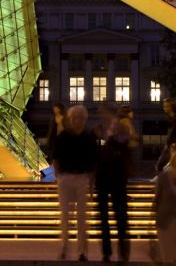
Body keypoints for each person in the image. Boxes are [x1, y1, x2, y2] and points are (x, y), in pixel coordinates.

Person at [54, 105, 98, 262]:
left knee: (82, 218)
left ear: (84, 119)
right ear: (70, 119)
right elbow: (56, 159)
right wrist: (59, 177)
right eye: (74, 117)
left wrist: (90, 183)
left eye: (80, 117)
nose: (77, 120)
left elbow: (94, 162)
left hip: (81, 178)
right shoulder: (63, 136)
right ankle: (64, 248)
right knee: (65, 216)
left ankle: (81, 252)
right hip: (67, 178)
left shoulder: (89, 138)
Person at [96, 108, 131, 264]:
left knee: (119, 217)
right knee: (106, 218)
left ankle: (121, 252)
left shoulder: (120, 133)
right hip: (105, 180)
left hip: (116, 179)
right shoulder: (100, 132)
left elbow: (124, 150)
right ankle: (108, 252)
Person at [152, 146, 176, 265]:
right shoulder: (164, 177)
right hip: (165, 221)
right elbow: (157, 199)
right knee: (167, 256)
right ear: (175, 161)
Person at [155, 98, 176, 173]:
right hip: (170, 147)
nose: (164, 108)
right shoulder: (172, 118)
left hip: (174, 148)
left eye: (166, 106)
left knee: (162, 166)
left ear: (171, 107)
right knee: (162, 166)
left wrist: (175, 142)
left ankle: (165, 183)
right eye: (164, 106)